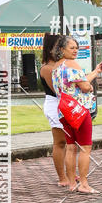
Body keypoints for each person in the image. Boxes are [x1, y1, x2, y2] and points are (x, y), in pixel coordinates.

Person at [52, 36, 102, 193]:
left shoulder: (56, 67)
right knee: (84, 148)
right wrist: (88, 87)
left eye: (77, 47)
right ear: (62, 49)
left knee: (70, 147)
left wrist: (96, 71)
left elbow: (77, 82)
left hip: (64, 111)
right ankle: (84, 184)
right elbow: (84, 86)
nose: (75, 50)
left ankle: (71, 183)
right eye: (72, 48)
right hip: (79, 111)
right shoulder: (73, 64)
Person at [39, 33, 68, 187]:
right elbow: (58, 90)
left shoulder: (59, 65)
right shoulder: (48, 68)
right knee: (60, 142)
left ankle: (70, 173)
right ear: (51, 49)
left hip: (64, 103)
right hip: (55, 104)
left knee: (70, 141)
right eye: (59, 47)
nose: (62, 50)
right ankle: (62, 177)